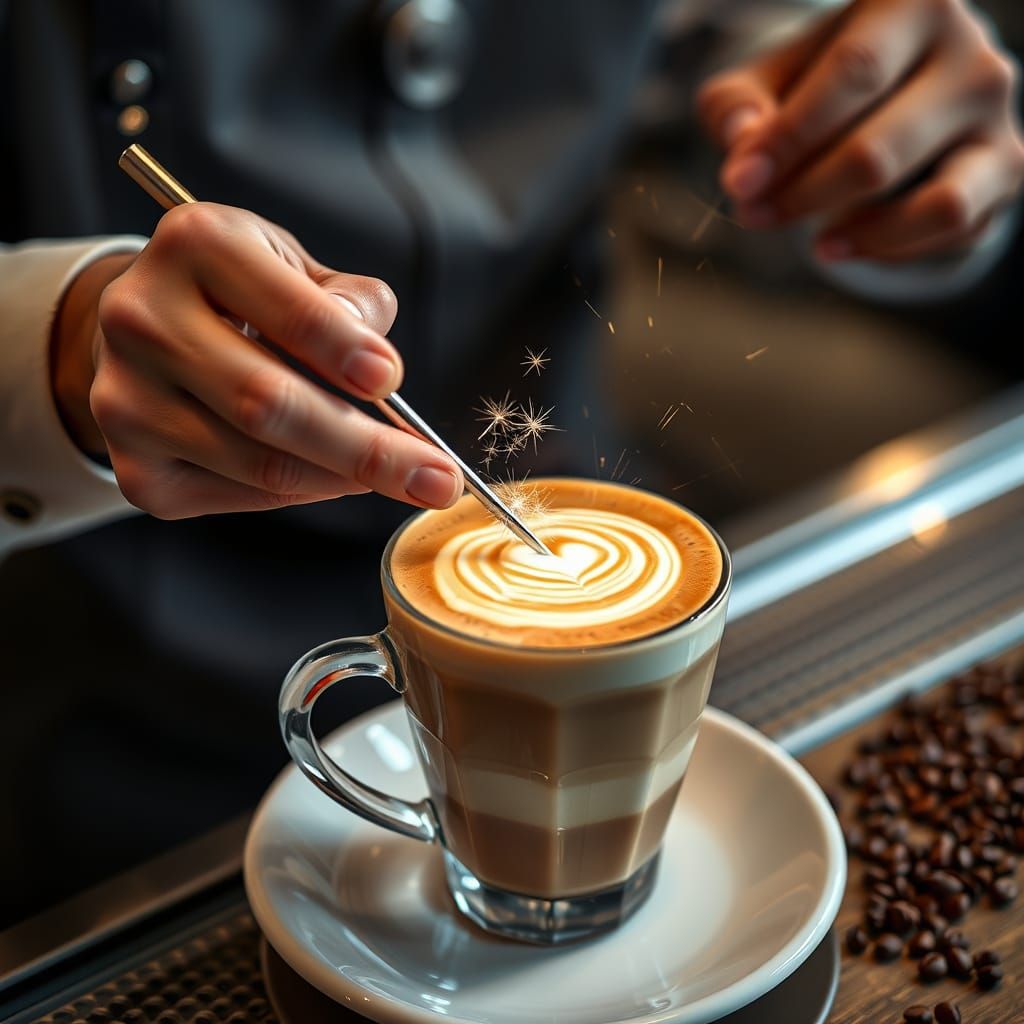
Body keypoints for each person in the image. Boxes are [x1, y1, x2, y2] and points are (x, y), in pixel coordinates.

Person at [0, 0, 1021, 923]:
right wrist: (52, 350)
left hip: (580, 464)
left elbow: (704, 39)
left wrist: (856, 118)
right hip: (111, 719)